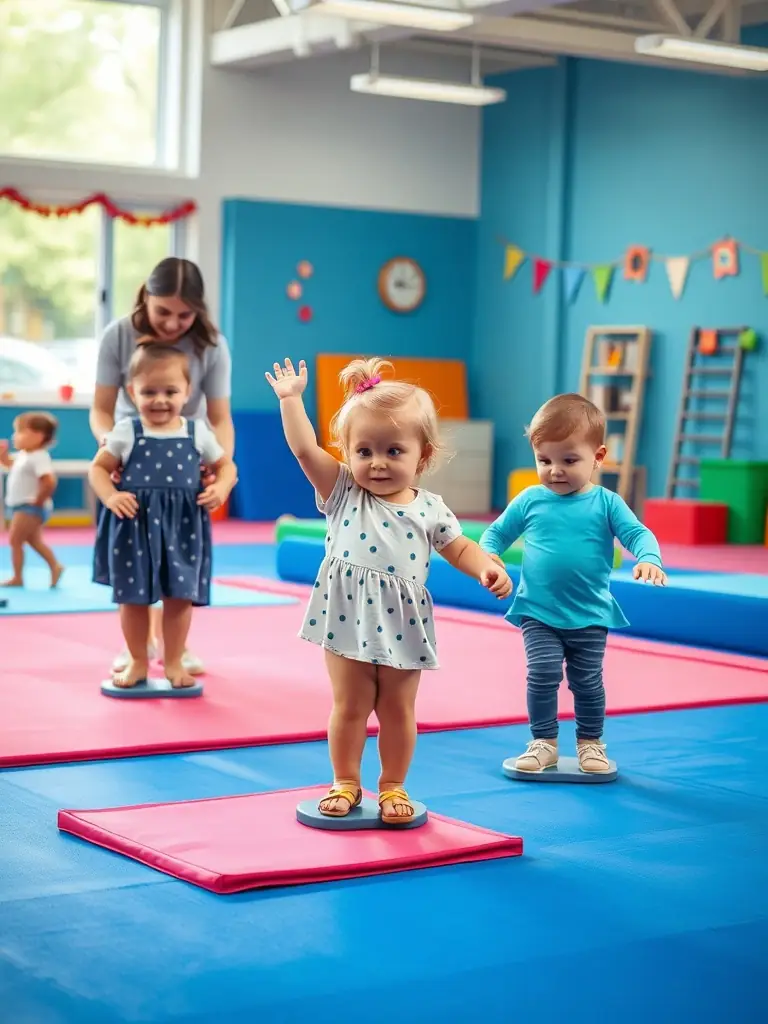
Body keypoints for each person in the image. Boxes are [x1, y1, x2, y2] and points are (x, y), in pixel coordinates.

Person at [266, 356, 512, 824]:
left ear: (423, 455)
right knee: (351, 704)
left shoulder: (431, 508)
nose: (376, 463)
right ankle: (345, 781)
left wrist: (486, 568)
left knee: (398, 708)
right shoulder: (342, 491)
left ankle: (394, 786)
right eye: (364, 451)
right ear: (349, 452)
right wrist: (292, 400)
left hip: (403, 621)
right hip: (345, 615)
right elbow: (303, 449)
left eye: (393, 451)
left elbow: (459, 548)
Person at [479, 393, 666, 775]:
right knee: (543, 673)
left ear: (598, 457)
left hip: (590, 613)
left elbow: (637, 533)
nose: (554, 471)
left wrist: (649, 558)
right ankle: (543, 741)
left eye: (569, 460)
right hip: (538, 610)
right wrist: (491, 558)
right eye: (544, 461)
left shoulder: (606, 502)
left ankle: (591, 743)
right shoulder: (530, 499)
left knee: (587, 681)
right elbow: (495, 534)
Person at [90, 257, 234, 676]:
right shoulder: (117, 335)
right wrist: (114, 450)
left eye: (185, 314)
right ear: (146, 299)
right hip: (130, 450)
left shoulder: (212, 345)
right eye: (163, 312)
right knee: (135, 574)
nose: (173, 323)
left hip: (185, 451)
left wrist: (218, 469)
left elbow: (220, 418)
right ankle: (138, 650)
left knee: (177, 573)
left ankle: (173, 651)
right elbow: (100, 409)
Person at [1, 411, 64, 588]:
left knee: (15, 540)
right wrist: (3, 456)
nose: (15, 436)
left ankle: (17, 577)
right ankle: (55, 566)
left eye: (20, 432)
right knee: (34, 541)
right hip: (22, 506)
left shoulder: (38, 456)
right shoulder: (25, 455)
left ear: (37, 436)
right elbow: (11, 465)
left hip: (29, 508)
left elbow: (49, 481)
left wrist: (38, 500)